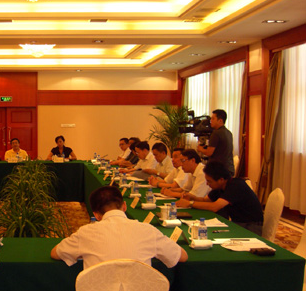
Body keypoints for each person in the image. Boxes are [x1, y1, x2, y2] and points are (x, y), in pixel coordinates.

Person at [50, 186, 187, 269]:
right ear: (124, 206)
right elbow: (182, 256)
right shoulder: (147, 230)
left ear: (96, 215)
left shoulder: (86, 232)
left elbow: (56, 253)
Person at [177, 161, 264, 235]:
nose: (207, 184)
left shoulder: (235, 185)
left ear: (221, 179)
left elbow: (215, 207)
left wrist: (190, 203)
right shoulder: (220, 187)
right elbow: (205, 200)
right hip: (237, 223)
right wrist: (192, 198)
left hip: (250, 226)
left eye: (209, 181)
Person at [197, 109, 235, 175]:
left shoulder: (216, 133)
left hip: (219, 170)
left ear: (220, 121)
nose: (211, 121)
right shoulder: (229, 133)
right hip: (229, 168)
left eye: (213, 119)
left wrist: (200, 149)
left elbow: (209, 153)